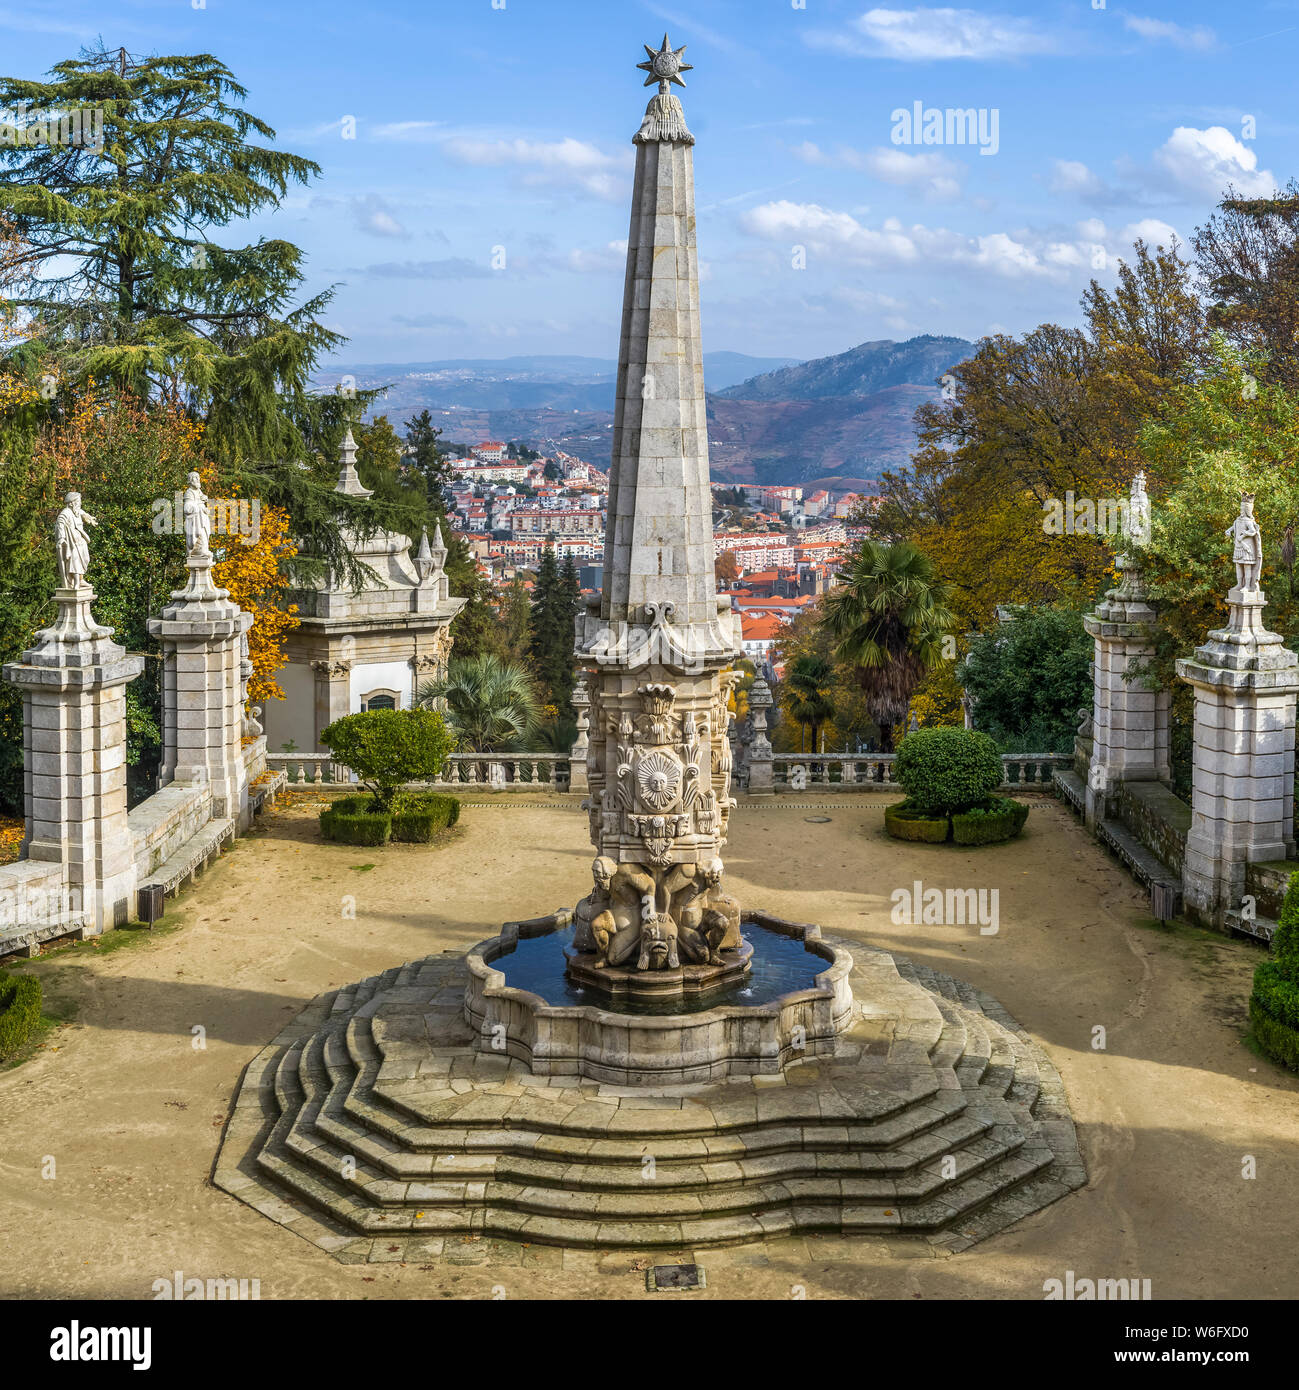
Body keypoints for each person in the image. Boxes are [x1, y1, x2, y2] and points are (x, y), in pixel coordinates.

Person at [55, 492, 97, 588]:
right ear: (71, 503)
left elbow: (83, 513)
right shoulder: (65, 513)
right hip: (72, 542)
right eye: (78, 501)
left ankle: (81, 580)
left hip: (81, 540)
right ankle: (77, 582)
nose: (80, 503)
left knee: (85, 559)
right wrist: (61, 538)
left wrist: (90, 519)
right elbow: (60, 524)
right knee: (75, 561)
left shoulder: (76, 511)